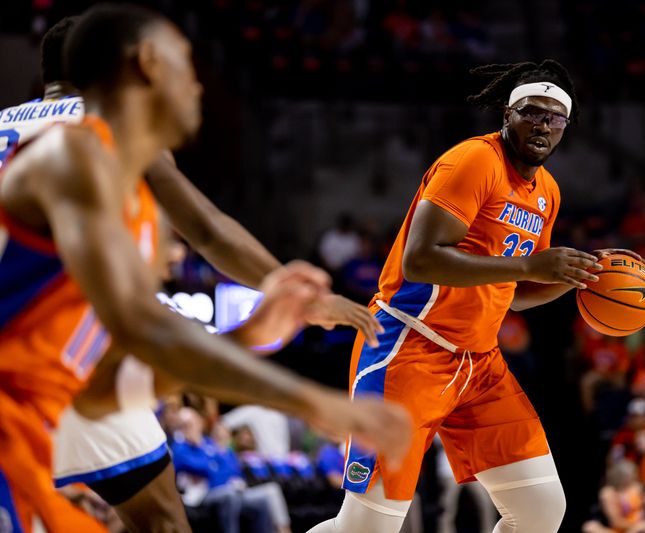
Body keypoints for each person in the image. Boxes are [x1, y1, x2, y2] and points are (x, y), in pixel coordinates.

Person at [0, 5, 411, 531]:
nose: (196, 86)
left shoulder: (36, 135)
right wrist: (307, 392)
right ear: (139, 65)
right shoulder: (93, 143)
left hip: (70, 377)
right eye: (183, 63)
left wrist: (251, 339)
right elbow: (210, 232)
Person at [308, 59, 645, 533]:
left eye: (555, 118)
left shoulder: (546, 191)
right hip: (410, 350)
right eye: (532, 111)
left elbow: (515, 292)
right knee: (366, 528)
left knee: (541, 508)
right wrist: (531, 265)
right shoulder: (473, 161)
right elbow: (420, 260)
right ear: (507, 114)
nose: (543, 125)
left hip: (479, 364)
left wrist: (584, 272)